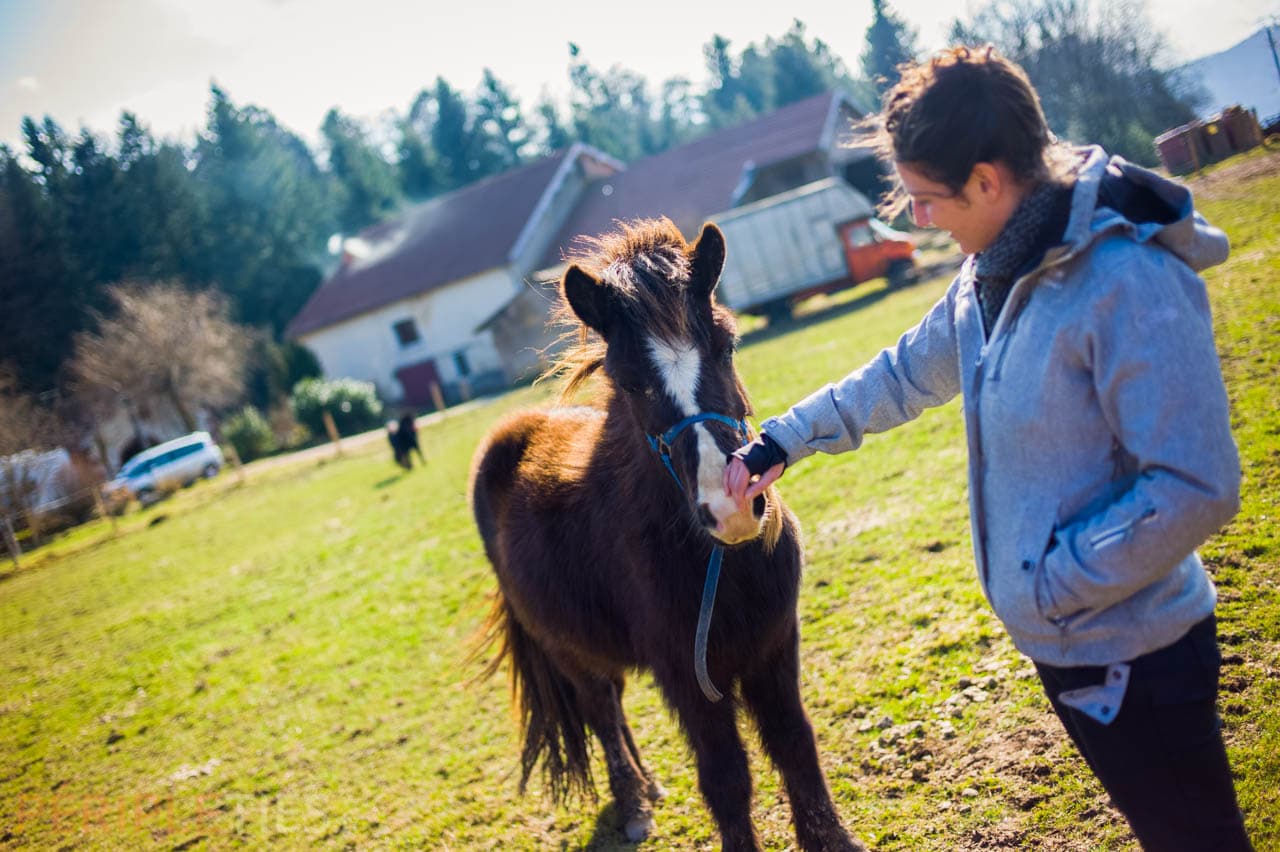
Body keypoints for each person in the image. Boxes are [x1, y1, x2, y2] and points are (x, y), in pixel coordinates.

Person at [724, 46, 1252, 851]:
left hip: (1139, 656)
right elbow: (902, 373)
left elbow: (1196, 483)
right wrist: (781, 440)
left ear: (986, 180)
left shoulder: (1126, 280)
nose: (919, 218)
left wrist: (1053, 580)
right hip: (1068, 646)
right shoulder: (991, 274)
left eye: (926, 198)